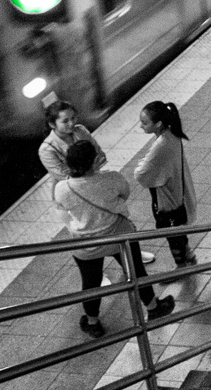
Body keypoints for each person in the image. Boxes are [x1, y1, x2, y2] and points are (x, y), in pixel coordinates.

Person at [55, 139, 174, 337]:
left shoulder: (62, 188)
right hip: (119, 235)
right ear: (94, 162)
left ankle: (93, 322)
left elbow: (63, 210)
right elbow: (124, 194)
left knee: (90, 283)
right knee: (136, 271)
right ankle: (153, 307)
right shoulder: (111, 178)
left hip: (86, 243)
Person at [134, 100, 197, 268]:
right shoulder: (171, 134)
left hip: (168, 197)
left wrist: (142, 163)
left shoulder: (161, 145)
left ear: (158, 124)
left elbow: (140, 174)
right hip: (177, 191)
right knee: (177, 228)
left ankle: (182, 266)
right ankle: (189, 255)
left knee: (171, 231)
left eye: (145, 122)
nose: (141, 126)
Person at [39, 101, 106, 182]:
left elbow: (100, 155)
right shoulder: (47, 150)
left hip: (93, 177)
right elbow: (64, 177)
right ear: (52, 124)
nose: (71, 123)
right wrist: (92, 169)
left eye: (73, 118)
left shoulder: (80, 130)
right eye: (65, 121)